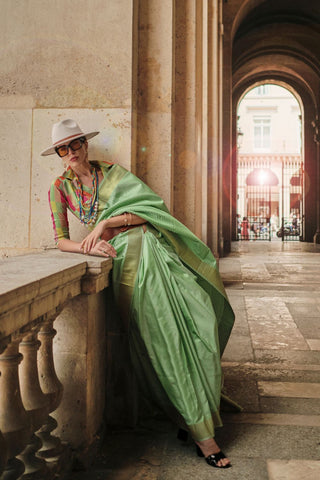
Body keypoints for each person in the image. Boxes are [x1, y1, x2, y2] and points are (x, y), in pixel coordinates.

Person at [42, 119, 236, 469]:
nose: (71, 152)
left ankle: (188, 418)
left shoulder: (113, 174)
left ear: (86, 144)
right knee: (164, 341)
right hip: (130, 269)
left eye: (76, 144)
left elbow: (151, 216)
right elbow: (61, 241)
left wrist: (105, 223)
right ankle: (202, 435)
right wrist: (90, 248)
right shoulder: (59, 189)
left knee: (199, 328)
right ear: (58, 154)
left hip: (157, 256)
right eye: (63, 148)